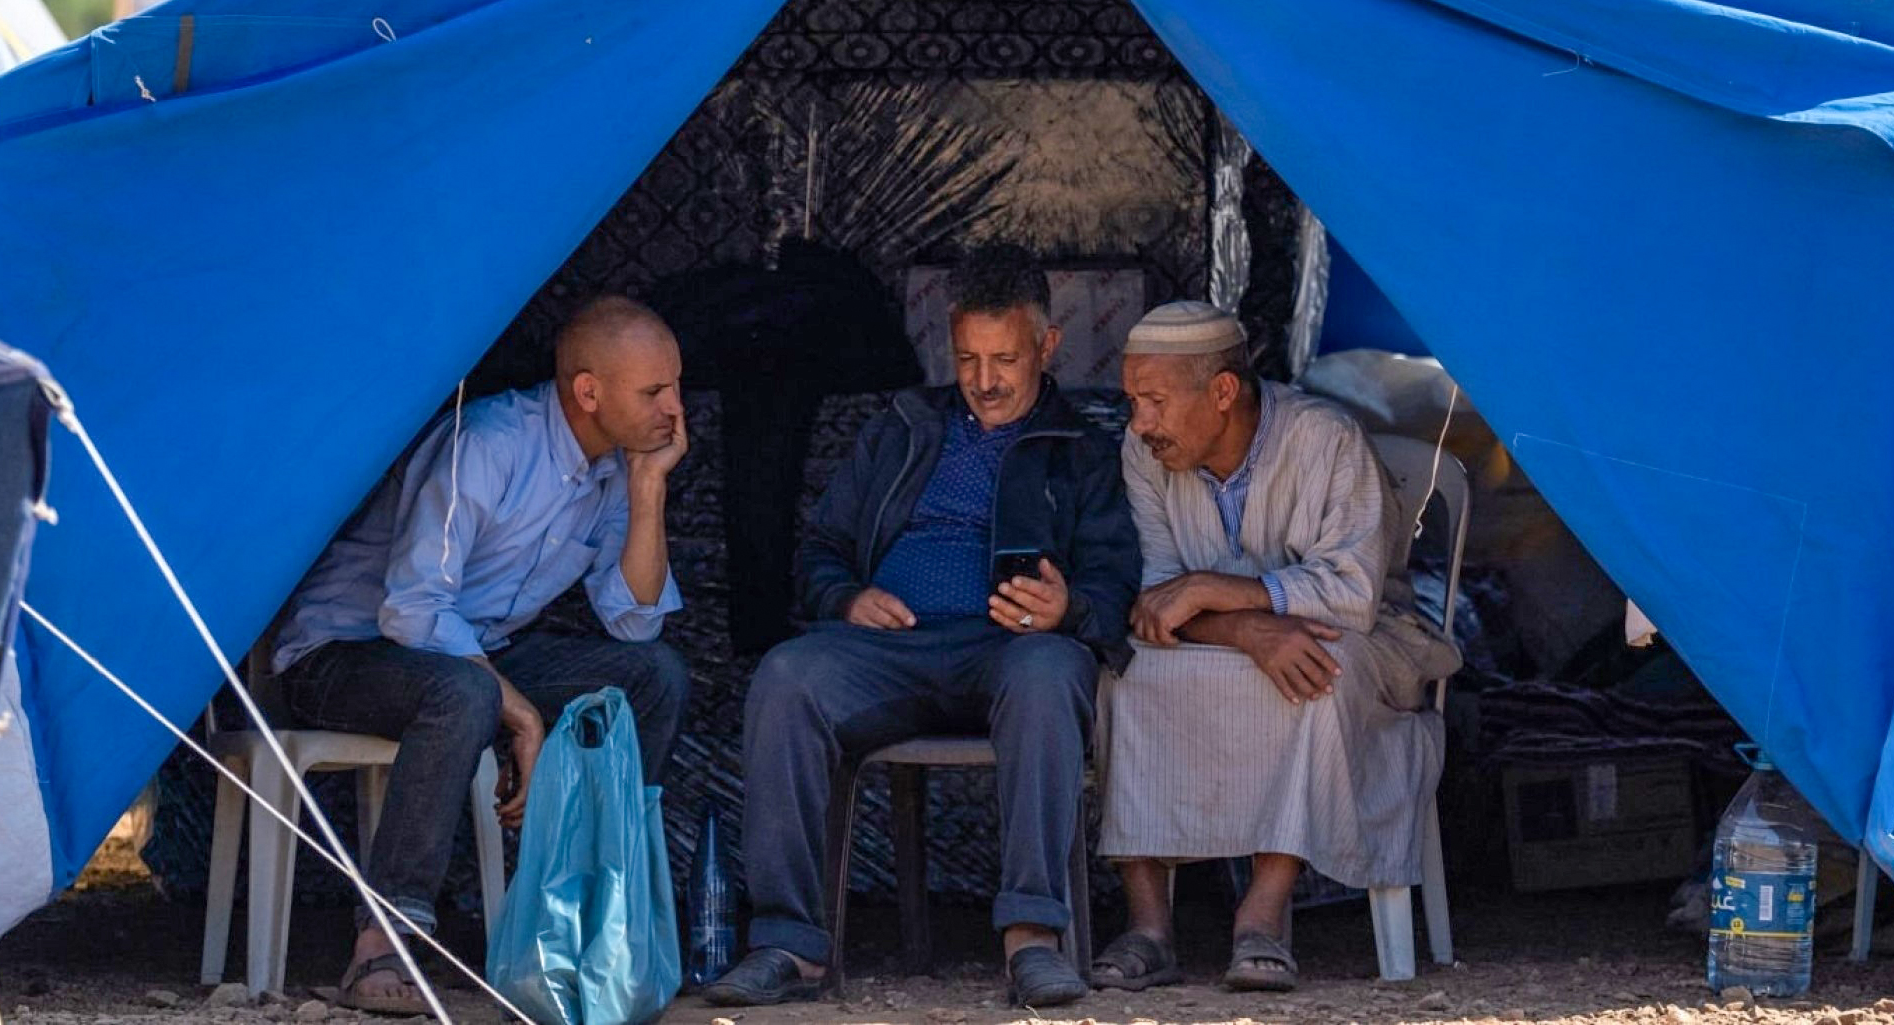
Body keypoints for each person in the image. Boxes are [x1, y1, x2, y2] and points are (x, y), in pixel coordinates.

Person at [703, 244, 1140, 1011]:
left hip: (1010, 651)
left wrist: (1066, 608)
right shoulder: (902, 427)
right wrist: (844, 598)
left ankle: (1031, 940)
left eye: (1004, 357)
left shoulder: (1083, 450)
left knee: (1048, 673)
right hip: (888, 651)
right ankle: (787, 942)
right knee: (785, 676)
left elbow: (1117, 584)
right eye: (967, 356)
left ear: (1047, 345)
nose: (983, 378)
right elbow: (820, 549)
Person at [271, 295, 692, 1016]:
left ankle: (602, 920)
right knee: (464, 694)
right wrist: (519, 711)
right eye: (654, 391)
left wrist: (648, 488)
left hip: (470, 654)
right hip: (341, 652)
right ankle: (385, 941)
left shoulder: (615, 470)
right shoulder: (491, 442)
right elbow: (411, 608)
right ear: (588, 392)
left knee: (652, 678)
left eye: (675, 386)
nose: (675, 410)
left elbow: (634, 625)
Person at [1090, 302, 1458, 994]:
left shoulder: (1324, 438)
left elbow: (1349, 594)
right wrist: (1247, 626)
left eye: (1155, 401)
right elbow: (1155, 597)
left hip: (1364, 636)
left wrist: (1213, 589)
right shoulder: (1145, 454)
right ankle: (1148, 926)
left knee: (1314, 668)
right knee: (1124, 679)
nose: (1140, 422)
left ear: (1223, 393)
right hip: (1224, 641)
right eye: (1133, 401)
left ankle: (1261, 915)